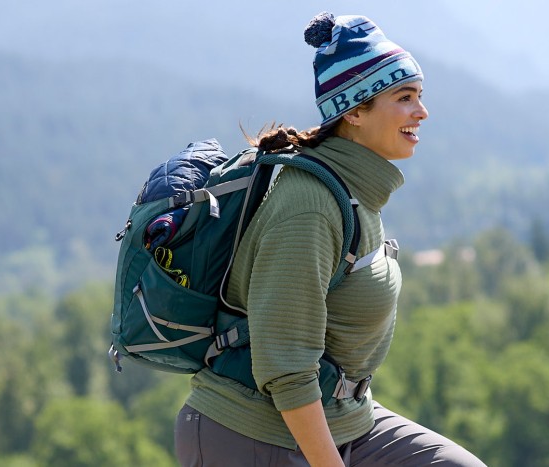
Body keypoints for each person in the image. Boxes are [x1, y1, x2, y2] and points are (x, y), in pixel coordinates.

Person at [174, 12, 485, 467]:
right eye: (404, 97)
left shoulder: (356, 191)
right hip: (252, 433)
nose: (422, 111)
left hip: (346, 421)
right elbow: (287, 368)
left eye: (419, 96)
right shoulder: (311, 206)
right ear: (355, 111)